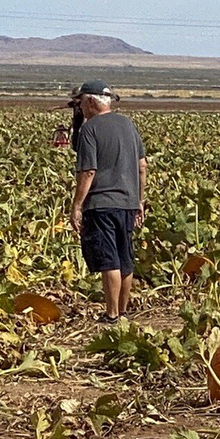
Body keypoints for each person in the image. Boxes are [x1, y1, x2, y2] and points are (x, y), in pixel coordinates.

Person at [70, 80, 146, 323]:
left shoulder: (90, 130)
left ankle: (111, 314)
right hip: (128, 202)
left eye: (82, 103)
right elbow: (142, 166)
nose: (81, 107)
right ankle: (122, 312)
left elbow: (88, 171)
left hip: (101, 203)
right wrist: (140, 200)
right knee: (125, 258)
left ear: (91, 101)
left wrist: (77, 205)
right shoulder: (128, 124)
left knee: (109, 258)